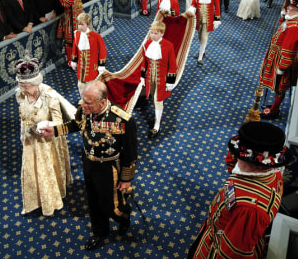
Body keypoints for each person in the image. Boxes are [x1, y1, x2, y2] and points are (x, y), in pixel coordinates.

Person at [39, 80, 138, 251]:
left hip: (110, 169)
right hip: (89, 163)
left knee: (112, 206)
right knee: (93, 201)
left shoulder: (123, 120)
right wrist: (54, 131)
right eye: (82, 100)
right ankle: (100, 231)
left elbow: (130, 152)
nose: (82, 104)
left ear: (102, 102)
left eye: (87, 102)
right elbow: (76, 125)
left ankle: (124, 217)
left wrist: (126, 179)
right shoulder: (84, 110)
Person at [187, 121, 291, 259]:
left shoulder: (249, 210)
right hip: (217, 230)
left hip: (215, 249)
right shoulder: (272, 172)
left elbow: (233, 253)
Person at [14, 55, 73, 217]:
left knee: (46, 171)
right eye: (21, 85)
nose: (23, 90)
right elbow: (23, 117)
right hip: (29, 141)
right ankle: (35, 200)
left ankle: (50, 200)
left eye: (26, 86)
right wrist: (23, 134)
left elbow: (59, 123)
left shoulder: (49, 97)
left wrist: (46, 126)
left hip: (46, 142)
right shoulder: (20, 95)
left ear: (36, 83)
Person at [260, 0, 298, 119]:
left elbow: (289, 49)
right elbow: (283, 26)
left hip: (281, 59)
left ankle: (274, 109)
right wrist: (284, 16)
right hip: (278, 56)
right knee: (278, 86)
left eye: (291, 7)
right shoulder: (295, 19)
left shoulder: (295, 27)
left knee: (280, 87)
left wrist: (282, 67)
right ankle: (274, 106)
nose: (288, 8)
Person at [139, 21, 177, 138]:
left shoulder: (168, 46)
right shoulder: (147, 44)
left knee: (158, 100)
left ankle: (156, 125)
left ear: (162, 34)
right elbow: (144, 62)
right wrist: (142, 76)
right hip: (150, 78)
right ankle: (156, 116)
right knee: (152, 96)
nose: (152, 35)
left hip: (162, 79)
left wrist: (170, 81)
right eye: (151, 33)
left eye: (155, 33)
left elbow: (173, 65)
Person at [187, 0, 221, 65]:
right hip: (198, 19)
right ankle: (203, 51)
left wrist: (217, 19)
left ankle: (200, 58)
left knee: (204, 37)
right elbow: (193, 4)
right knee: (199, 36)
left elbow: (217, 6)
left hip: (208, 20)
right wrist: (191, 10)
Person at [71, 13, 107, 95]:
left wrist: (101, 65)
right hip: (81, 68)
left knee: (93, 87)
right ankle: (83, 100)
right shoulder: (76, 34)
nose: (79, 27)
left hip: (92, 68)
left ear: (88, 24)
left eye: (82, 25)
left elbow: (102, 50)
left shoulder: (96, 36)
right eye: (78, 24)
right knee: (80, 85)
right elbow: (75, 47)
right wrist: (74, 60)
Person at [57, 0, 83, 65]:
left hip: (79, 18)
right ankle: (71, 61)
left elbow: (80, 2)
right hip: (69, 19)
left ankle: (80, 59)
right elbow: (66, 4)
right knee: (70, 42)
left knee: (80, 39)